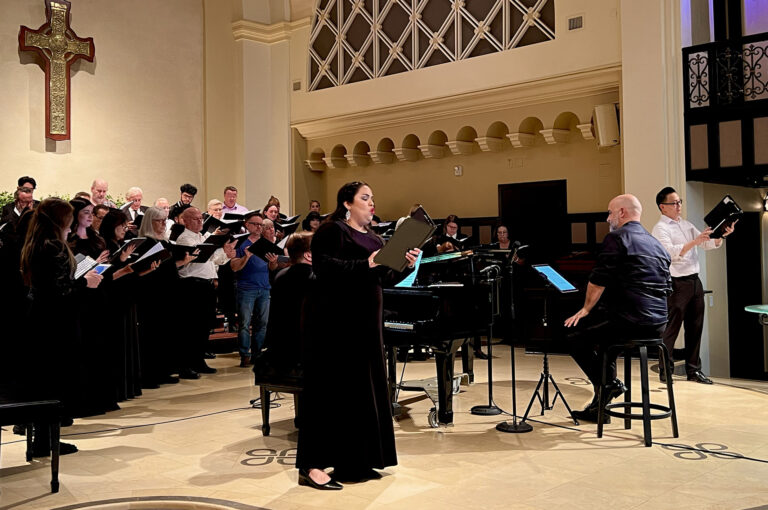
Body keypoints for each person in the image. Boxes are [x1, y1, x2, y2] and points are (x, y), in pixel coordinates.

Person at [296, 181, 418, 490]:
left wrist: (405, 264)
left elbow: (385, 275)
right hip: (334, 322)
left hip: (365, 324)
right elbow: (324, 267)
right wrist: (366, 263)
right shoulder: (332, 230)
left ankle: (356, 459)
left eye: (373, 198)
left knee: (363, 390)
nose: (371, 203)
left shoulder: (375, 237)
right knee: (330, 391)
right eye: (365, 198)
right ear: (347, 203)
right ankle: (312, 466)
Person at [564, 194, 671, 423]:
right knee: (606, 345)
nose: (608, 218)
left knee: (574, 336)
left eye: (610, 212)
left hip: (632, 321)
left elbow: (598, 279)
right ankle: (600, 404)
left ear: (622, 212)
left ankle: (609, 385)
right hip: (659, 323)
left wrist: (585, 309)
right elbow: (667, 287)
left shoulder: (617, 238)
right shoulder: (655, 243)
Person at [20, 198, 103, 456]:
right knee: (54, 382)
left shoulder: (37, 243)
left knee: (46, 381)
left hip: (41, 319)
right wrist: (85, 282)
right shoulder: (53, 246)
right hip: (56, 322)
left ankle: (44, 440)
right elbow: (60, 291)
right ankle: (46, 442)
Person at [651, 187, 735, 384]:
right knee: (671, 328)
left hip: (695, 281)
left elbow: (705, 244)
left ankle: (693, 370)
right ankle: (666, 369)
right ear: (663, 207)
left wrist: (721, 235)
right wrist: (694, 241)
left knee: (695, 327)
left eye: (679, 202)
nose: (679, 206)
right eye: (674, 203)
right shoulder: (660, 228)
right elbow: (670, 253)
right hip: (676, 282)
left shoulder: (686, 225)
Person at [176, 207, 236, 376]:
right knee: (192, 326)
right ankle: (186, 364)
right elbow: (198, 258)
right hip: (192, 285)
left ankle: (199, 359)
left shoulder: (201, 237)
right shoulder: (184, 238)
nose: (200, 221)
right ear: (185, 221)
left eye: (201, 218)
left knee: (204, 325)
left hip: (206, 284)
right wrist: (215, 249)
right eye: (195, 219)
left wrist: (226, 254)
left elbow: (213, 260)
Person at [229, 212, 277, 366]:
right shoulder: (241, 243)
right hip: (246, 288)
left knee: (262, 323)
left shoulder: (266, 243)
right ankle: (245, 354)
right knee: (244, 323)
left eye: (260, 225)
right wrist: (246, 257)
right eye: (255, 224)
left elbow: (272, 268)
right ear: (247, 224)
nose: (258, 227)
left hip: (264, 287)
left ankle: (257, 353)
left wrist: (273, 262)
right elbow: (234, 267)